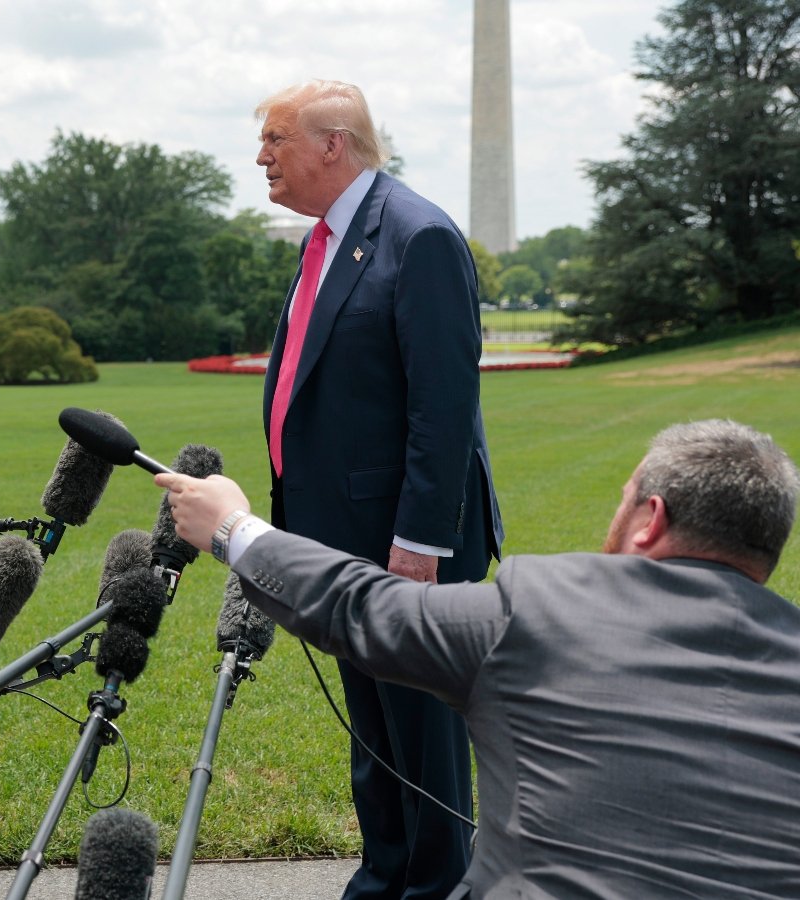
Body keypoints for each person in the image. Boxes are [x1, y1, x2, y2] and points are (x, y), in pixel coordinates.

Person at [158, 418, 800, 898]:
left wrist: (231, 527)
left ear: (649, 519)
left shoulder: (543, 611)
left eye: (623, 497)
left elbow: (365, 610)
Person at [251, 79, 502, 899]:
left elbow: (444, 404)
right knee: (376, 735)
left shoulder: (417, 235)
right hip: (340, 534)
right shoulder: (327, 238)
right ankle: (384, 878)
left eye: (277, 140)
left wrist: (420, 544)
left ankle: (437, 887)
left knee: (422, 740)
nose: (262, 157)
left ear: (334, 144)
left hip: (404, 544)